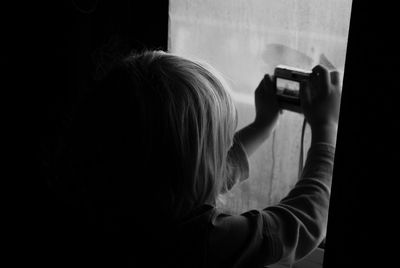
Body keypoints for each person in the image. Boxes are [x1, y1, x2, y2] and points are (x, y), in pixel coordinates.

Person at [48, 50, 340, 267]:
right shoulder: (202, 240)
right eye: (224, 142)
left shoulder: (112, 205)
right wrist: (326, 128)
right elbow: (299, 223)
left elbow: (203, 170)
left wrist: (263, 124)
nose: (230, 143)